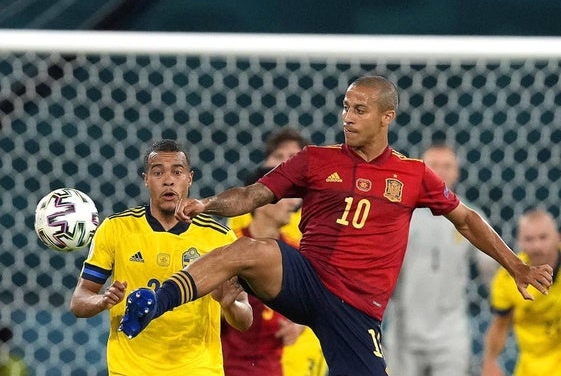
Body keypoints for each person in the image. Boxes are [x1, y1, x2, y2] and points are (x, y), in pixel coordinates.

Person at [119, 75, 553, 376]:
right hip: (307, 279)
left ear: (387, 117)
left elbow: (466, 219)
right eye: (346, 107)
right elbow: (254, 195)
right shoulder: (315, 160)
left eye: (360, 109)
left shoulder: (414, 175)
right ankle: (157, 300)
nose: (348, 116)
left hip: (356, 310)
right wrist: (210, 203)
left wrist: (515, 264)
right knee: (250, 250)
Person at [70, 139, 253, 375]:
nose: (168, 180)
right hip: (131, 369)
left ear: (190, 178)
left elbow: (245, 319)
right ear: (146, 179)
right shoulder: (116, 229)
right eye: (158, 172)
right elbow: (79, 301)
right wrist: (103, 300)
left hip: (197, 369)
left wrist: (228, 303)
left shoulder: (220, 237)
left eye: (177, 172)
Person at [383, 143, 498, 376]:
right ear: (422, 170)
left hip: (450, 331)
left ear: (457, 172)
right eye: (434, 165)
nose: (441, 171)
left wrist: (503, 303)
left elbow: (491, 269)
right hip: (404, 329)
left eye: (447, 165)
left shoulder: (471, 216)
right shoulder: (399, 214)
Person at [227, 127, 327, 376]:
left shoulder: (302, 244)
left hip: (278, 361)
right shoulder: (229, 242)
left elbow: (320, 298)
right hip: (227, 362)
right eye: (285, 195)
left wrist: (301, 322)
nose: (292, 203)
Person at [222, 167, 305, 375]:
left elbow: (313, 303)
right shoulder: (226, 245)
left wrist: (298, 326)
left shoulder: (296, 253)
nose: (294, 203)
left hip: (271, 367)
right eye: (285, 195)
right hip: (224, 365)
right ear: (259, 201)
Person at [480, 209, 561, 376]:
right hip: (531, 367)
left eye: (543, 237)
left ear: (557, 238)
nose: (537, 246)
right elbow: (500, 326)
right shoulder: (507, 278)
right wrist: (489, 362)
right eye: (529, 239)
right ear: (519, 242)